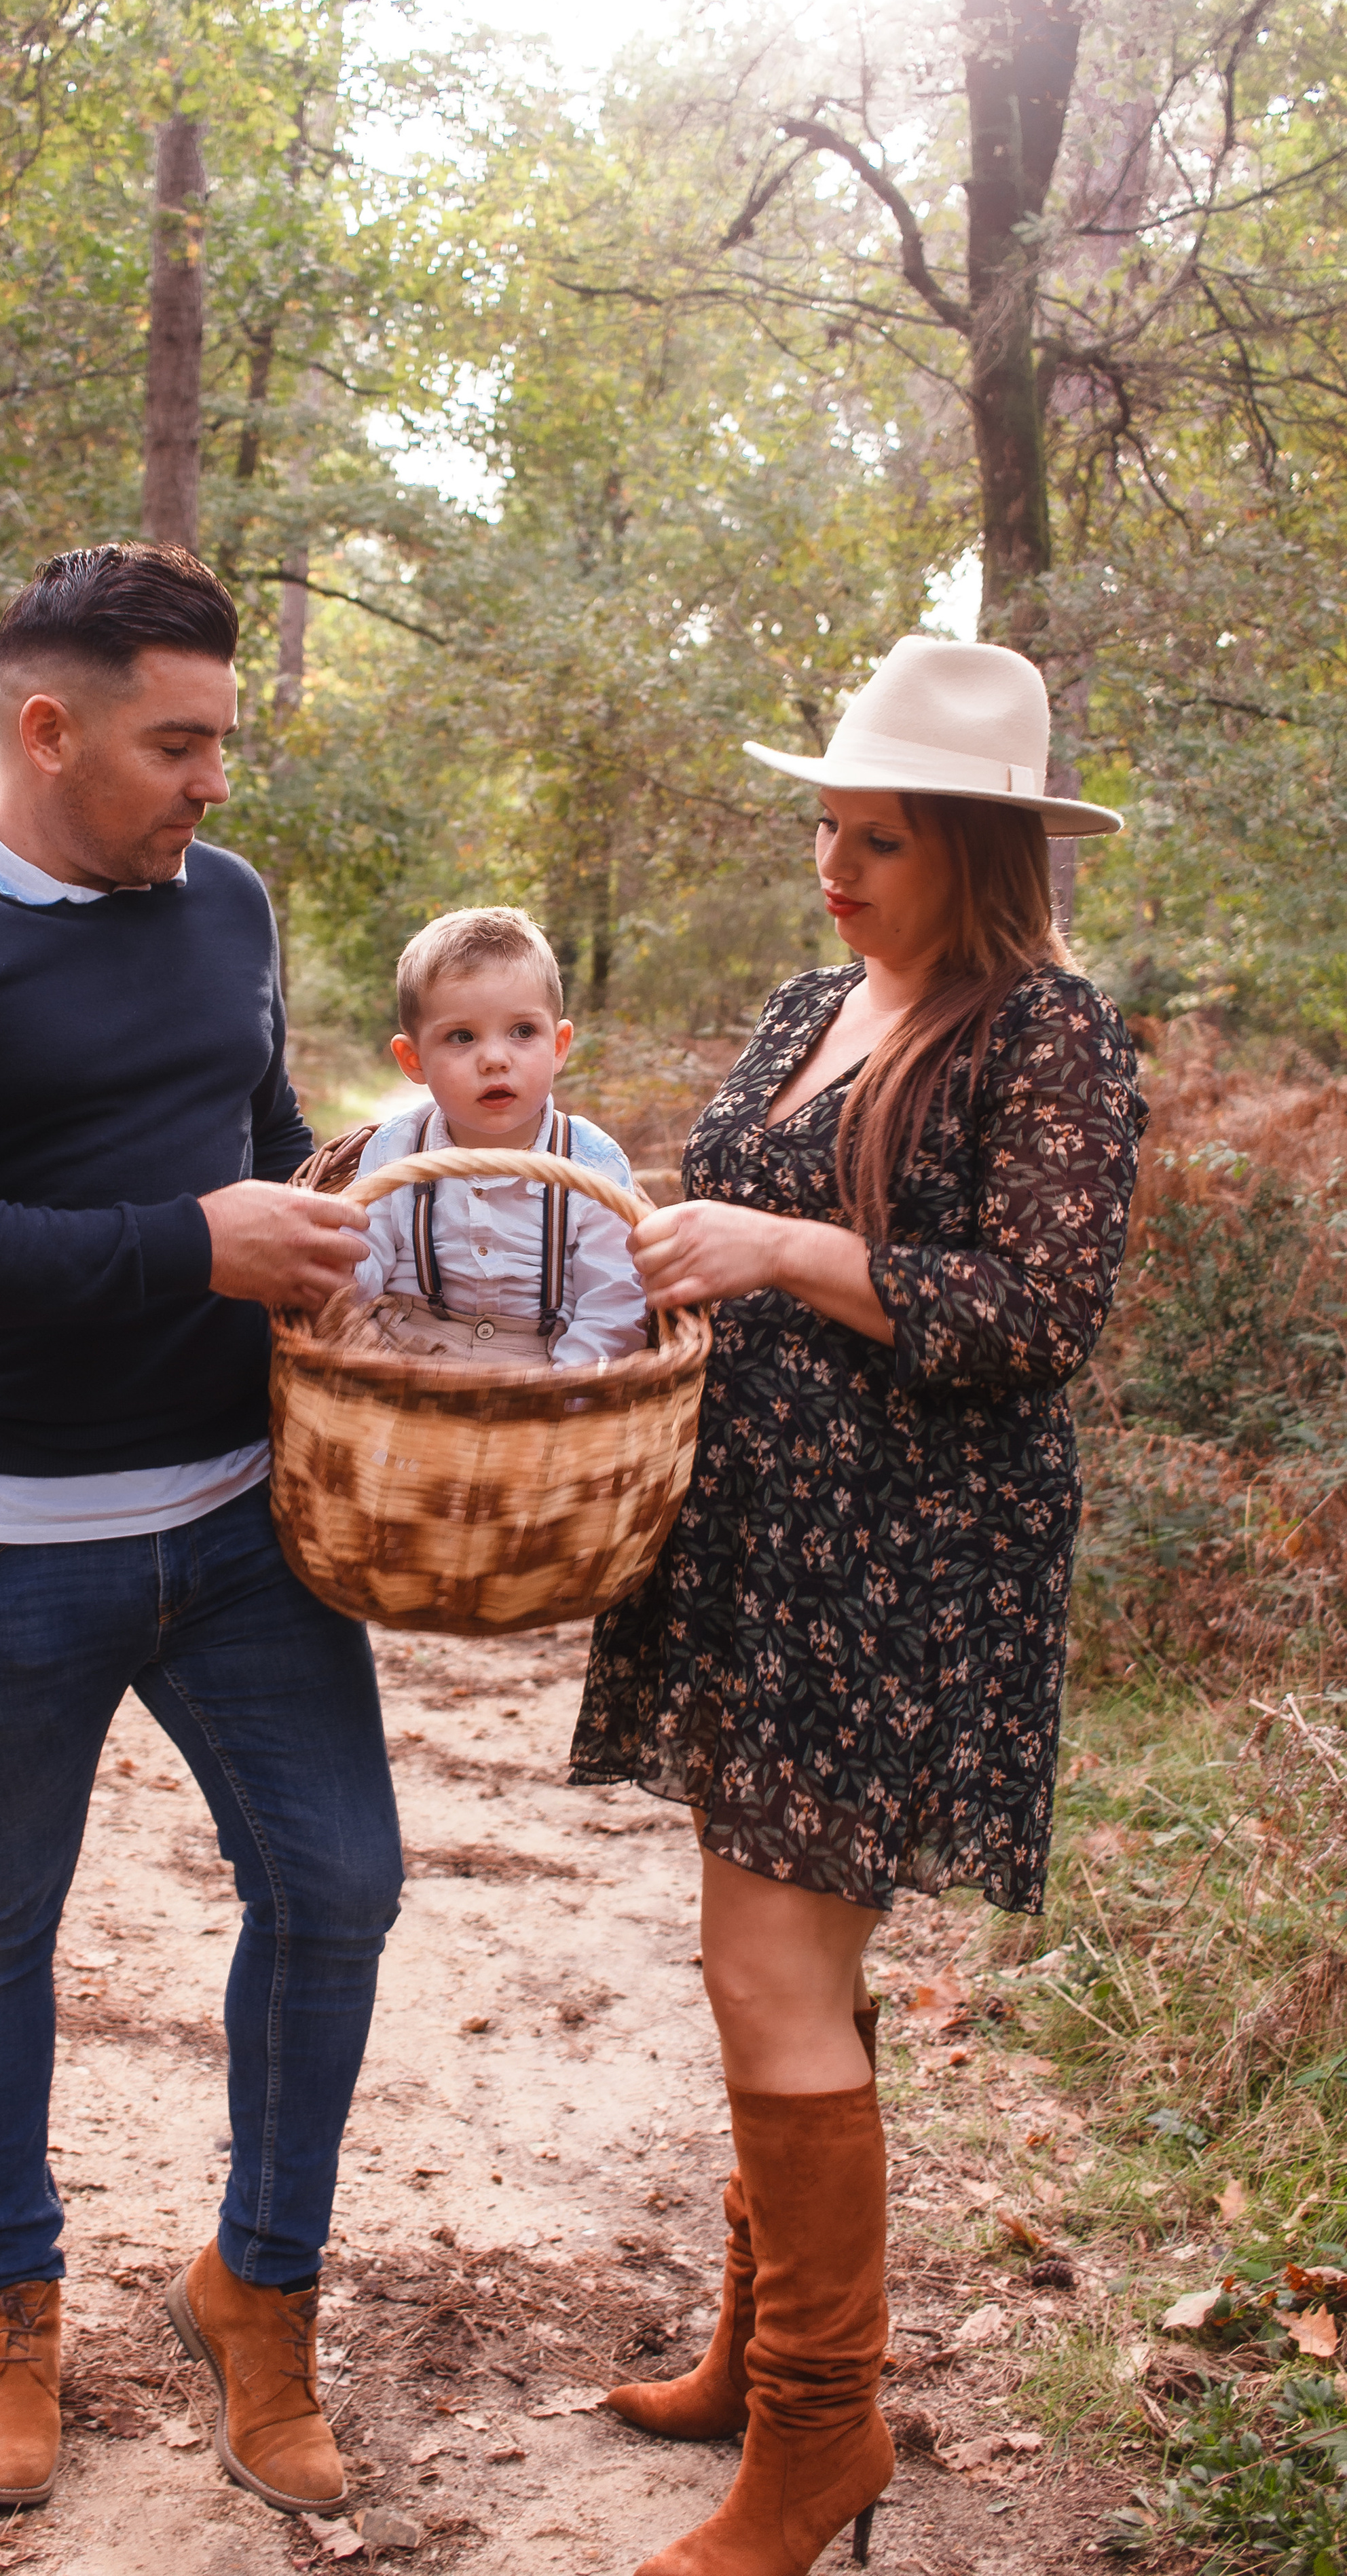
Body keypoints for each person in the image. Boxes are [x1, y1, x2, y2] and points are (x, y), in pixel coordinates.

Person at [0, 542, 394, 2524]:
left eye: (222, 738)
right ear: (47, 727)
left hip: (237, 1524)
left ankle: (258, 2285)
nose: (215, 783)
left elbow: (246, 1130)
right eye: (178, 741)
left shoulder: (226, 904)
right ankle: (9, 2303)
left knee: (342, 1883)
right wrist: (188, 1247)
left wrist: (322, 1216)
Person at [570, 636, 1147, 2576]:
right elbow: (727, 1219)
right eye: (827, 826)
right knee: (773, 1968)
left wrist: (788, 1246)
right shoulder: (818, 997)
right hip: (755, 1547)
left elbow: (1041, 1318)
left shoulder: (1048, 1033)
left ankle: (824, 2438)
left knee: (769, 1975)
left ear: (977, 853)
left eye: (879, 841)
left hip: (903, 1570)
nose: (835, 866)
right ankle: (768, 2358)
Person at [347, 906, 647, 1367]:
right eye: (462, 1037)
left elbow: (614, 1303)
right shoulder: (396, 1151)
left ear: (559, 1046)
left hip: (549, 1368)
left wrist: (570, 1391)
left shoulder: (591, 1162)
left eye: (523, 1032)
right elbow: (357, 1269)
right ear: (414, 1060)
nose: (494, 1059)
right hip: (404, 1365)